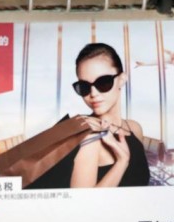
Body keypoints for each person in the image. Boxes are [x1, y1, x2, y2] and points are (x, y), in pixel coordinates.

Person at [26, 42, 151, 189]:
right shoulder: (90, 139)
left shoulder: (134, 128)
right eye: (84, 87)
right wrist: (122, 162)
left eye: (103, 82)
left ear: (122, 79)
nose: (93, 94)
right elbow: (84, 206)